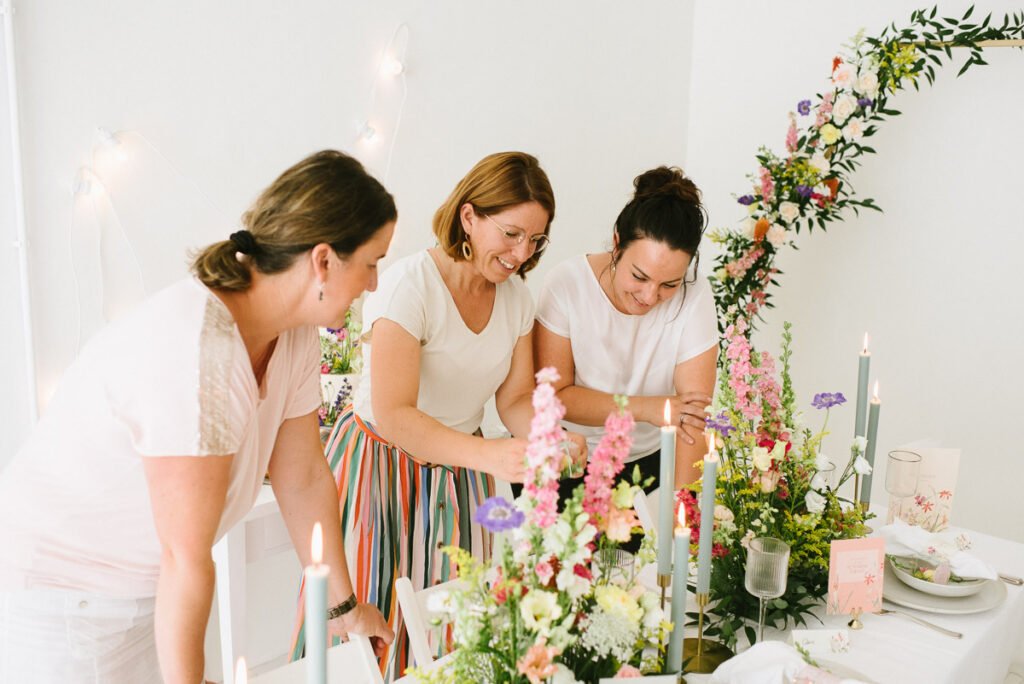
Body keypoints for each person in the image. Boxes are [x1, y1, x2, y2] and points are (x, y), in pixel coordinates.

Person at [0, 150, 396, 683]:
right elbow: (185, 559)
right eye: (372, 262)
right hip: (65, 601)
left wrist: (343, 610)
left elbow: (302, 478)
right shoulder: (197, 352)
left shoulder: (297, 334)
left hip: (145, 591)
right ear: (323, 260)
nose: (374, 283)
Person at [289, 151, 586, 680]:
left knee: (449, 633)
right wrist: (491, 455)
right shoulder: (411, 286)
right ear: (469, 217)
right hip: (377, 467)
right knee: (360, 637)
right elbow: (396, 414)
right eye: (512, 234)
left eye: (536, 241)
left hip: (455, 478)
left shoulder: (516, 298)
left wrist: (549, 437)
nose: (522, 253)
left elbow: (514, 401)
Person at [534, 166, 718, 506]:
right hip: (568, 459)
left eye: (669, 285)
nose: (650, 297)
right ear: (617, 243)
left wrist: (686, 514)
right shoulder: (566, 285)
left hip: (648, 467)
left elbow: (692, 419)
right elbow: (556, 398)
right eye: (639, 276)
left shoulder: (696, 294)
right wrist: (649, 409)